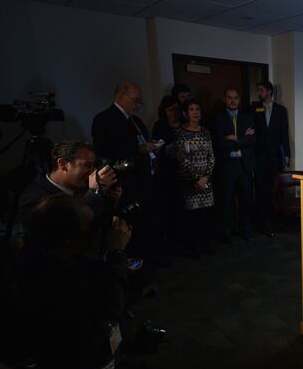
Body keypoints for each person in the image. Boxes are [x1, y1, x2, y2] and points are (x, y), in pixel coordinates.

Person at [13, 194, 131, 369]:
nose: (93, 231)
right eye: (88, 227)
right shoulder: (53, 275)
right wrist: (116, 253)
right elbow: (110, 303)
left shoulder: (44, 253)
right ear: (68, 239)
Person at [91, 81, 165, 263]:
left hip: (146, 180)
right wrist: (138, 150)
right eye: (136, 101)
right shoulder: (104, 119)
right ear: (121, 95)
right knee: (132, 227)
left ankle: (151, 258)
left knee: (149, 223)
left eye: (141, 102)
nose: (139, 105)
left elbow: (140, 143)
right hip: (125, 184)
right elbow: (105, 154)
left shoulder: (136, 120)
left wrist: (152, 146)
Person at [17, 140, 121, 230]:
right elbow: (65, 230)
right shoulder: (33, 197)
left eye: (93, 167)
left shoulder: (82, 188)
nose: (93, 173)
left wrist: (110, 201)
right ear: (62, 164)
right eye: (87, 166)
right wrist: (93, 193)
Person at [211, 87, 256, 242]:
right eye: (229, 97)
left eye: (235, 98)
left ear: (239, 100)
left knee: (246, 200)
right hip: (227, 165)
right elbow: (219, 142)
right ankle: (226, 233)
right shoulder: (217, 118)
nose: (232, 101)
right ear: (224, 99)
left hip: (244, 165)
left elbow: (253, 140)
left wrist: (235, 139)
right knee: (227, 201)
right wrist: (242, 138)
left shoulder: (248, 118)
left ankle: (245, 230)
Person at [175, 98, 215, 257]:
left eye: (197, 109)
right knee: (192, 217)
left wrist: (205, 176)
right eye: (191, 109)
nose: (195, 112)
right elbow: (182, 159)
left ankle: (206, 245)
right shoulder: (180, 133)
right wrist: (196, 179)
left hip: (206, 181)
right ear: (185, 113)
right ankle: (194, 247)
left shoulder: (206, 132)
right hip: (189, 182)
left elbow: (211, 157)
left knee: (205, 216)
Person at [252, 80, 290, 236]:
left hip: (275, 157)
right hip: (260, 157)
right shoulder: (254, 109)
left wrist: (287, 154)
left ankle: (276, 222)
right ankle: (262, 222)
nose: (259, 93)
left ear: (269, 91)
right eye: (258, 90)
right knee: (261, 190)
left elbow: (284, 133)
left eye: (261, 90)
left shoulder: (280, 110)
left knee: (276, 190)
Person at [152, 95, 183, 251]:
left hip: (185, 171)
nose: (174, 113)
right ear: (164, 111)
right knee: (171, 209)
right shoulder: (160, 126)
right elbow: (155, 151)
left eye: (177, 109)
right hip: (167, 173)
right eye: (171, 110)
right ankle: (172, 241)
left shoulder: (185, 124)